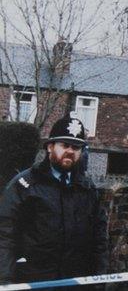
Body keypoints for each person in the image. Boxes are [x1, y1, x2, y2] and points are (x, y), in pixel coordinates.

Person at [0, 115, 108, 286]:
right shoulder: (25, 186)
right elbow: (5, 235)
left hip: (75, 282)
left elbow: (99, 240)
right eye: (65, 145)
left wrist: (99, 280)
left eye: (76, 147)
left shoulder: (87, 190)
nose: (71, 151)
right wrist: (5, 280)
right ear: (50, 147)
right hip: (33, 280)